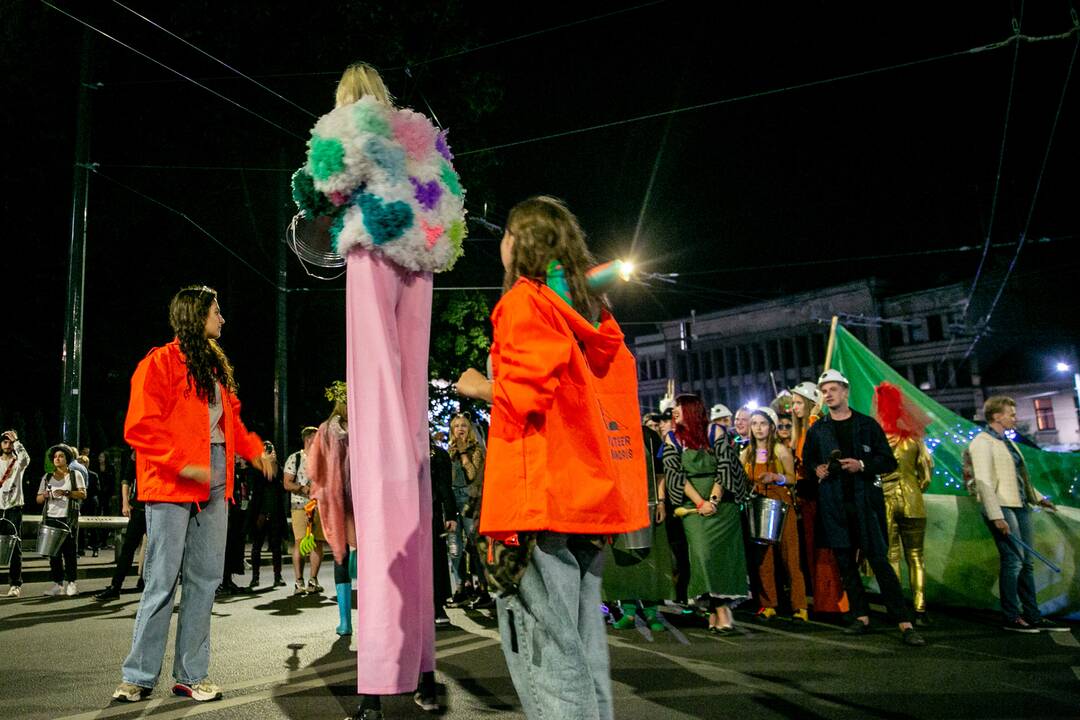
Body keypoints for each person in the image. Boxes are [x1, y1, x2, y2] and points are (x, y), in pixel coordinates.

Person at [294, 59, 467, 719]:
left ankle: (380, 677)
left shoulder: (354, 126)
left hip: (372, 253)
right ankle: (421, 664)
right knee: (412, 461)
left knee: (378, 459)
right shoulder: (425, 141)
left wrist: (312, 193)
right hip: (420, 263)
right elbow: (451, 215)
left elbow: (324, 179)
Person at [456, 195, 647, 720]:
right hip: (583, 502)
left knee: (547, 655)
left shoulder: (525, 302)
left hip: (536, 502)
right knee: (585, 650)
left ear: (520, 243)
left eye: (506, 234)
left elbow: (524, 395)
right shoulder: (586, 315)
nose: (500, 243)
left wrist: (478, 386)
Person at [111, 285, 272, 703]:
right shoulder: (159, 362)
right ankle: (138, 676)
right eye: (216, 311)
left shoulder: (216, 368)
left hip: (216, 477)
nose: (223, 319)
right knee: (161, 581)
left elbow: (230, 423)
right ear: (195, 315)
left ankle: (191, 675)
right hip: (172, 480)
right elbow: (139, 427)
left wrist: (254, 452)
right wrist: (180, 463)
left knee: (204, 581)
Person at [803, 370, 925, 646]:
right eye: (825, 390)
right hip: (834, 504)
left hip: (864, 504)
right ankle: (861, 616)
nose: (828, 394)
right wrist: (817, 469)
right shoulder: (818, 429)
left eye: (834, 389)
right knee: (846, 565)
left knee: (880, 562)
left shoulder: (867, 425)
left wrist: (862, 465)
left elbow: (888, 461)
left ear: (846, 392)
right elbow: (808, 461)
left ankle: (904, 621)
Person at [968, 395, 1067, 633]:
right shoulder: (982, 442)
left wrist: (1039, 497)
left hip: (1019, 504)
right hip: (1001, 506)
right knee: (1013, 561)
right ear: (996, 416)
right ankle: (1011, 616)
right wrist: (996, 515)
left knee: (1027, 563)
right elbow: (982, 481)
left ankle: (1033, 615)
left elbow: (1019, 477)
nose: (1015, 418)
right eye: (1011, 414)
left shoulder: (1006, 442)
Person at [663, 394, 751, 633]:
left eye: (678, 408)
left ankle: (718, 610)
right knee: (703, 555)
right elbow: (676, 475)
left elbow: (725, 466)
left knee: (723, 557)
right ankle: (720, 608)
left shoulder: (716, 433)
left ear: (691, 409)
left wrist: (713, 499)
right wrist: (700, 502)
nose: (674, 412)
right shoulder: (672, 438)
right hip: (693, 506)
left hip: (723, 507)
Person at [874, 382, 934, 627]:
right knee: (916, 557)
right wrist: (913, 488)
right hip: (913, 501)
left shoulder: (877, 439)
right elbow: (927, 475)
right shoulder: (914, 439)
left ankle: (896, 608)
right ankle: (920, 610)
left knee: (892, 557)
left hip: (886, 501)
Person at [741, 408, 807, 621]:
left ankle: (800, 606)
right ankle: (768, 604)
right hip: (758, 506)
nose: (758, 428)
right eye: (754, 424)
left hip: (781, 505)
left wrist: (776, 477)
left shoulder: (779, 450)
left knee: (790, 556)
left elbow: (792, 478)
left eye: (762, 423)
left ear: (771, 426)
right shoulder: (747, 453)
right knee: (763, 558)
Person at [790, 380, 846, 616]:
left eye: (798, 402)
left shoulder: (818, 427)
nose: (793, 407)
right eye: (793, 403)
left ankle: (832, 601)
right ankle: (823, 599)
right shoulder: (800, 431)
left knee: (825, 552)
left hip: (820, 497)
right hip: (806, 497)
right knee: (813, 551)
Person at [307, 385, 357, 636]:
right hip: (361, 497)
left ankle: (345, 621)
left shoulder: (325, 430)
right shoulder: (362, 426)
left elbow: (314, 469)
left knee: (340, 555)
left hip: (335, 500)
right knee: (363, 549)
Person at [446, 413, 490, 609]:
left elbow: (472, 474)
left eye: (464, 425)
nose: (460, 429)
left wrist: (464, 454)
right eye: (456, 426)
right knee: (454, 548)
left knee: (475, 546)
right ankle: (460, 588)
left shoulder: (476, 450)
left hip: (470, 501)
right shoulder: (448, 452)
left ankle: (483, 590)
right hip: (452, 502)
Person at [95, 449, 148, 600]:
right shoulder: (138, 454)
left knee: (156, 550)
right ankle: (115, 586)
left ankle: (146, 583)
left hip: (158, 507)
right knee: (128, 549)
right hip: (139, 507)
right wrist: (125, 502)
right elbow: (127, 479)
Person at [37, 444, 87, 596]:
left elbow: (83, 494)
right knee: (54, 554)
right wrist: (45, 495)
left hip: (68, 517)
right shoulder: (47, 477)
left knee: (70, 551)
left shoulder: (74, 475)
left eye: (61, 456)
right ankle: (58, 584)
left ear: (67, 459)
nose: (57, 459)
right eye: (55, 457)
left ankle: (72, 582)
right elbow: (38, 498)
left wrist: (66, 492)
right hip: (51, 517)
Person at [283, 427, 324, 595]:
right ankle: (299, 582)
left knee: (317, 543)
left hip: (320, 505)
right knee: (300, 542)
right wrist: (303, 488)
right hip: (300, 506)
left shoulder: (323, 459)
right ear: (308, 440)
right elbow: (287, 483)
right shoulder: (295, 458)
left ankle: (313, 580)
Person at [247, 440, 285, 590]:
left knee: (276, 546)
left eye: (272, 449)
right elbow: (258, 485)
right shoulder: (256, 467)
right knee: (257, 546)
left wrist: (273, 463)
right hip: (260, 513)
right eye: (267, 450)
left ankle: (278, 576)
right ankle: (255, 578)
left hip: (275, 512)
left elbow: (279, 483)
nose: (271, 452)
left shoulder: (277, 466)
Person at [1, 430, 30, 597]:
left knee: (15, 546)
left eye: (9, 442)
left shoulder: (18, 463)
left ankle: (15, 584)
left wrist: (17, 440)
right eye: (4, 442)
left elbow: (25, 458)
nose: (7, 445)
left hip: (14, 508)